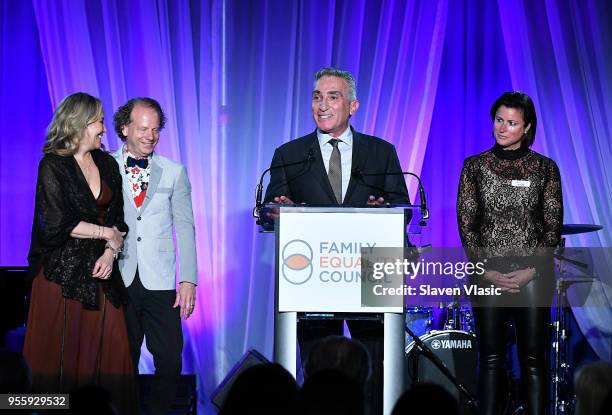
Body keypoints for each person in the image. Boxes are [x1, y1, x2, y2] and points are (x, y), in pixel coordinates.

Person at [264, 67, 410, 414]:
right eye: (317, 97)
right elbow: (271, 209)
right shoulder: (290, 154)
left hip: (370, 274)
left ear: (353, 106)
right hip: (313, 278)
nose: (322, 105)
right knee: (320, 368)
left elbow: (401, 208)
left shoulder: (381, 152)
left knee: (373, 368)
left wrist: (385, 208)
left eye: (333, 96)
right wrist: (277, 210)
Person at [23, 92, 136, 413]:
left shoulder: (106, 162)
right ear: (81, 123)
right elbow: (56, 223)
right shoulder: (53, 164)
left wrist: (111, 253)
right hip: (62, 274)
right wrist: (105, 234)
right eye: (100, 120)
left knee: (112, 354)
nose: (104, 128)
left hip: (101, 272)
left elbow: (118, 221)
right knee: (57, 360)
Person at [457, 91, 563, 415]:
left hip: (533, 274)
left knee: (533, 360)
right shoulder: (474, 166)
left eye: (512, 123)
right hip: (488, 273)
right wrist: (486, 270)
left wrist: (531, 270)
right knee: (490, 357)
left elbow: (552, 227)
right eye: (499, 120)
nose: (502, 128)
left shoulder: (545, 168)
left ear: (527, 127)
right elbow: (467, 223)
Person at [112, 97, 197, 415]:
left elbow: (186, 227)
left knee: (171, 359)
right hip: (118, 276)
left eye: (156, 130)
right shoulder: (106, 166)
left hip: (161, 278)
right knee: (122, 358)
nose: (150, 135)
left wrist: (188, 278)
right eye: (143, 128)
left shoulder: (174, 171)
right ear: (125, 128)